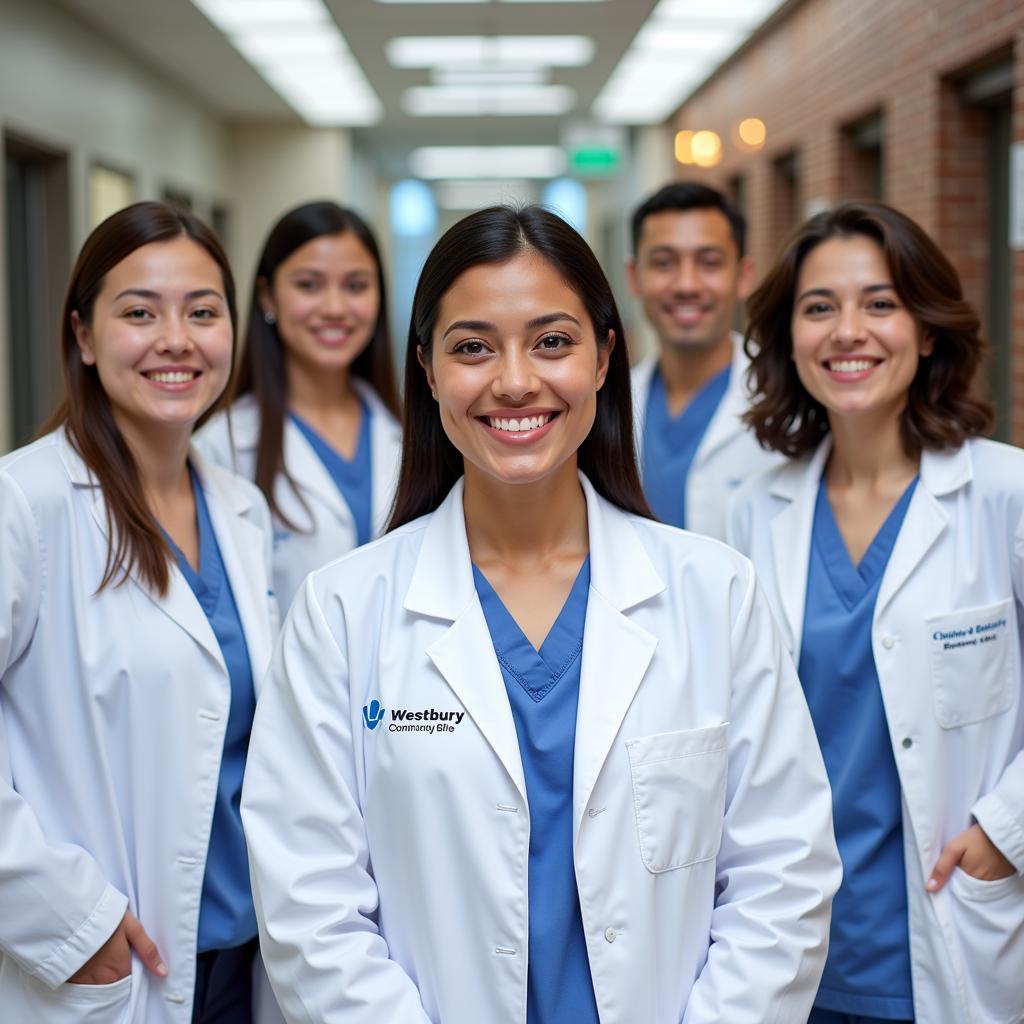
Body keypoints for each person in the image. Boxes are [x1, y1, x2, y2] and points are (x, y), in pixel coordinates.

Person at [241, 205, 841, 1024]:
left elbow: (782, 876)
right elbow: (311, 906)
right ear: (426, 368)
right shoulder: (343, 611)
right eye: (473, 347)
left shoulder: (715, 594)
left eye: (552, 341)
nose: (515, 380)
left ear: (604, 357)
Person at [726, 200, 1024, 1024]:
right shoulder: (754, 514)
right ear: (789, 336)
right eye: (819, 307)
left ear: (927, 331)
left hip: (952, 923)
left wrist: (1007, 831)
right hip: (792, 940)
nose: (847, 331)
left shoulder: (1003, 494)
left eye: (880, 304)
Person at [0, 201, 281, 1023]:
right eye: (139, 312)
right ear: (83, 337)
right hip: (111, 958)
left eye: (203, 311)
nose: (176, 339)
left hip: (242, 953)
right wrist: (72, 921)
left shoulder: (240, 510)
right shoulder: (25, 504)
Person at [196, 201, 401, 614]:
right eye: (309, 285)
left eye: (356, 286)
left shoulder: (412, 431)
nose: (335, 308)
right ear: (268, 296)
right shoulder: (221, 447)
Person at [627, 182, 782, 539]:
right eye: (664, 263)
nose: (686, 284)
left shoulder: (787, 402)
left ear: (743, 276)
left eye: (709, 263)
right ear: (634, 277)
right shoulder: (607, 402)